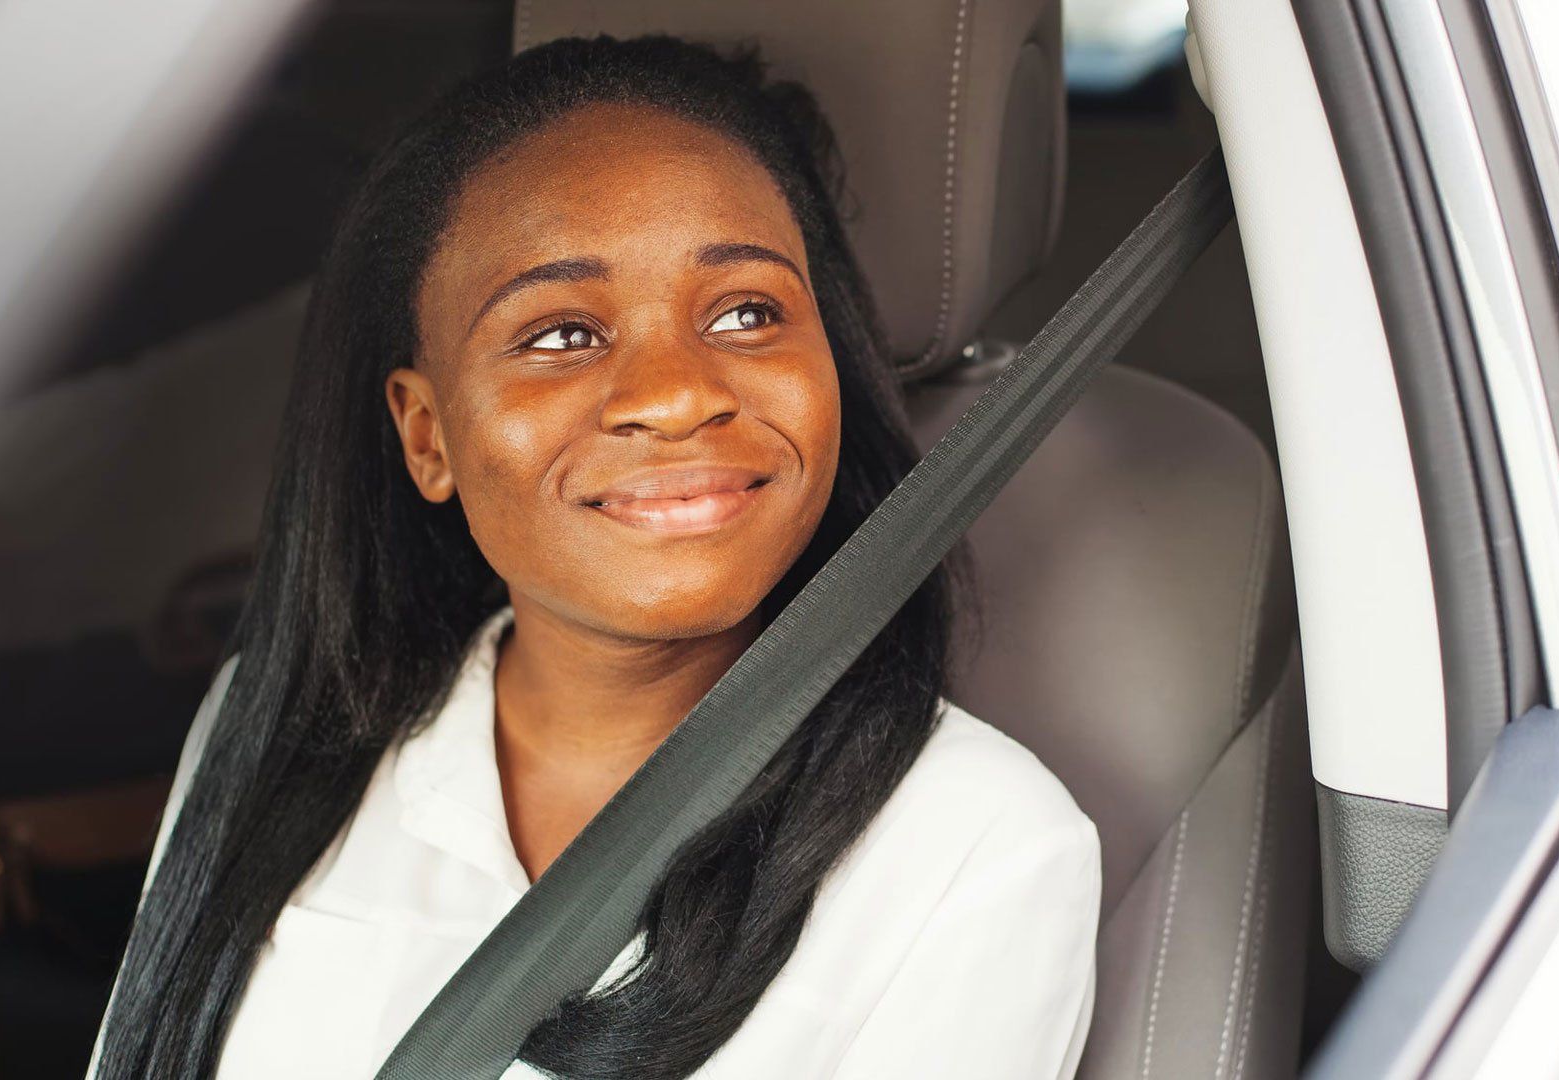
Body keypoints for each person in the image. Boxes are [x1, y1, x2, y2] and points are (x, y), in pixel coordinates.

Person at [88, 34, 1099, 1080]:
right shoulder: (278, 726)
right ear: (427, 435)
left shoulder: (977, 848)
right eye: (561, 335)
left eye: (748, 312)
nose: (675, 394)